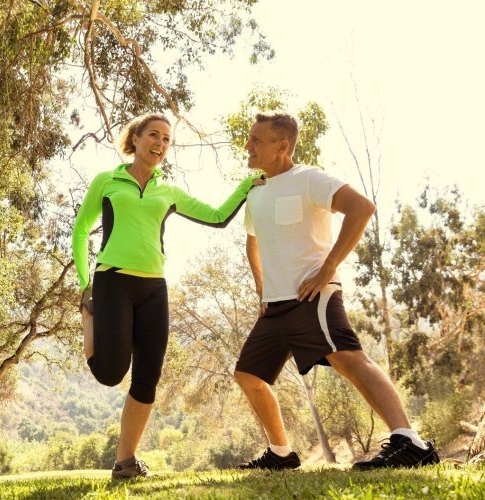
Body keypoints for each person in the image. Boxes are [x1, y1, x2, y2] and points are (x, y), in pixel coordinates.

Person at [233, 112, 439, 470]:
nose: (247, 146)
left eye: (256, 140)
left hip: (312, 296)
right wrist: (261, 288)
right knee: (248, 375)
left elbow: (361, 208)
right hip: (275, 305)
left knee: (348, 357)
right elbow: (253, 242)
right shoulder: (256, 191)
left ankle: (411, 442)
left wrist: (327, 269)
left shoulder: (309, 178)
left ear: (282, 146)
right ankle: (281, 453)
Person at [72, 113, 264, 479]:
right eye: (153, 136)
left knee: (148, 375)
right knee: (110, 374)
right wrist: (85, 283)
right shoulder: (108, 181)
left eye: (167, 140)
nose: (160, 144)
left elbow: (219, 216)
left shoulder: (168, 191)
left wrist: (247, 184)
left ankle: (124, 461)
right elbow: (81, 230)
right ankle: (88, 321)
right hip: (112, 281)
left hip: (153, 288)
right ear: (137, 137)